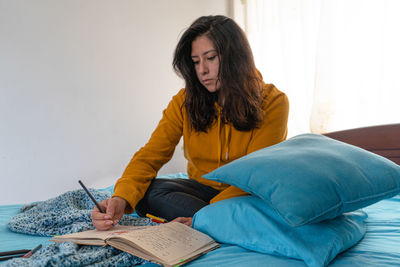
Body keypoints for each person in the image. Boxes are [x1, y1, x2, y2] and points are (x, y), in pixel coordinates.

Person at [91, 15, 289, 230]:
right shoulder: (184, 101)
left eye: (210, 58)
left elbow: (255, 175)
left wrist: (206, 215)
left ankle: (213, 220)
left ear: (235, 57)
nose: (202, 70)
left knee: (258, 204)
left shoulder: (274, 102)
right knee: (145, 193)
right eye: (196, 62)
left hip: (247, 194)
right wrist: (120, 199)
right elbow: (150, 155)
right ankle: (223, 223)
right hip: (202, 191)